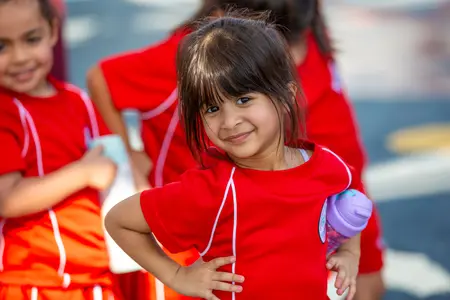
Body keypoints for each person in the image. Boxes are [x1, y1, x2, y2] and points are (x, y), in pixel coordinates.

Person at [87, 1, 385, 299]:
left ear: (287, 95)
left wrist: (349, 252)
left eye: (244, 100)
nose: (229, 121)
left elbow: (353, 199)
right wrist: (178, 276)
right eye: (213, 108)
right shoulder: (211, 189)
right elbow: (119, 221)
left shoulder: (327, 166)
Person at [0, 0, 120, 298]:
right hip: (32, 281)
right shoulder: (5, 111)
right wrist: (83, 172)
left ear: (53, 31)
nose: (20, 57)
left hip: (98, 276)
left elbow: (120, 172)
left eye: (32, 39)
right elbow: (7, 199)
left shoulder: (79, 101)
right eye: (1, 47)